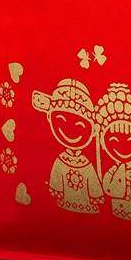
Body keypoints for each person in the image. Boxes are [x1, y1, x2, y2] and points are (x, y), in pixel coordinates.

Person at [31, 78, 104, 213]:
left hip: (86, 206)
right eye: (61, 120)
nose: (71, 129)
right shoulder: (61, 161)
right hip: (63, 204)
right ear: (49, 117)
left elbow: (93, 184)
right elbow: (57, 182)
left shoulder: (86, 164)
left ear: (93, 131)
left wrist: (95, 196)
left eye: (80, 126)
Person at [94, 83, 131, 223]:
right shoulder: (112, 173)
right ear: (102, 141)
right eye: (113, 140)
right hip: (115, 212)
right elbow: (108, 189)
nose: (123, 146)